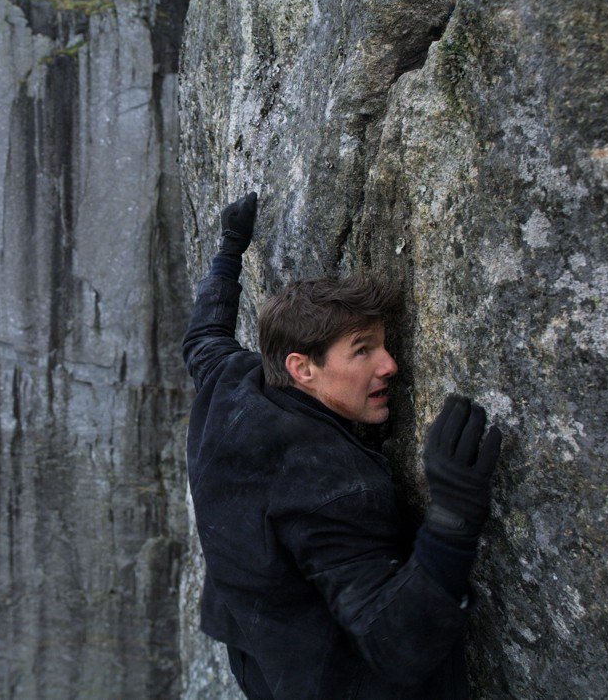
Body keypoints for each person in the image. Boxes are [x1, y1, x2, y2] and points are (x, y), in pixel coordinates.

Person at [183, 192, 502, 699]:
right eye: (362, 351)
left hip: (257, 654)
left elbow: (203, 338)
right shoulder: (331, 484)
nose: (390, 366)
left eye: (383, 345)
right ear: (301, 368)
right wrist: (454, 519)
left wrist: (229, 250)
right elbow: (397, 642)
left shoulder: (232, 382)